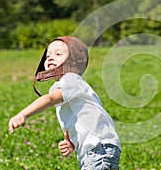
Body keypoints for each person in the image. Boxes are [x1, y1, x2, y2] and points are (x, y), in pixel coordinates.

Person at [8, 36, 121, 170]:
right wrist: (70, 142)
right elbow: (79, 118)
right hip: (96, 150)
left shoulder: (71, 79)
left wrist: (23, 114)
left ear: (74, 62)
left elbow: (50, 99)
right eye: (48, 55)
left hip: (98, 150)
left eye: (58, 54)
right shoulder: (69, 85)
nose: (50, 58)